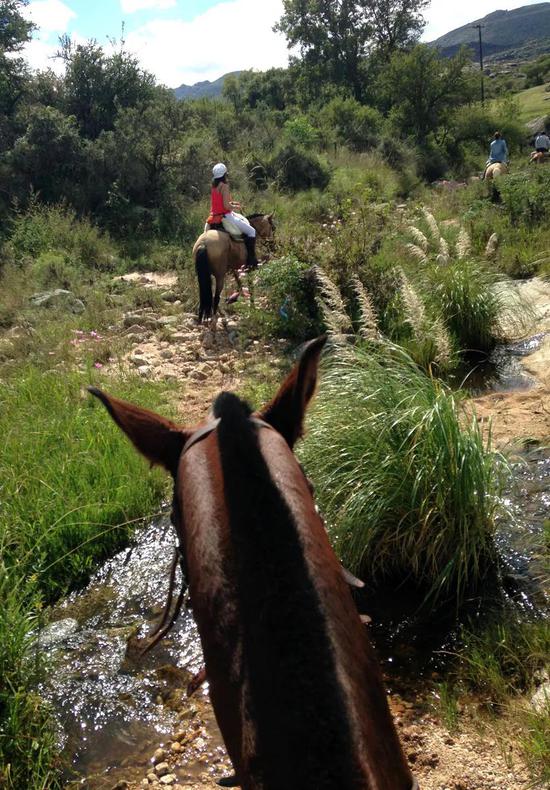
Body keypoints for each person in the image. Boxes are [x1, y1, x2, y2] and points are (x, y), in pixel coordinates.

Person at [207, 162, 258, 268]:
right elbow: (226, 206)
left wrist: (233, 203)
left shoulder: (213, 187)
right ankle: (251, 261)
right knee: (252, 231)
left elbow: (219, 203)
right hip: (226, 216)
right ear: (225, 174)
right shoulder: (224, 186)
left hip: (214, 216)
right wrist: (236, 207)